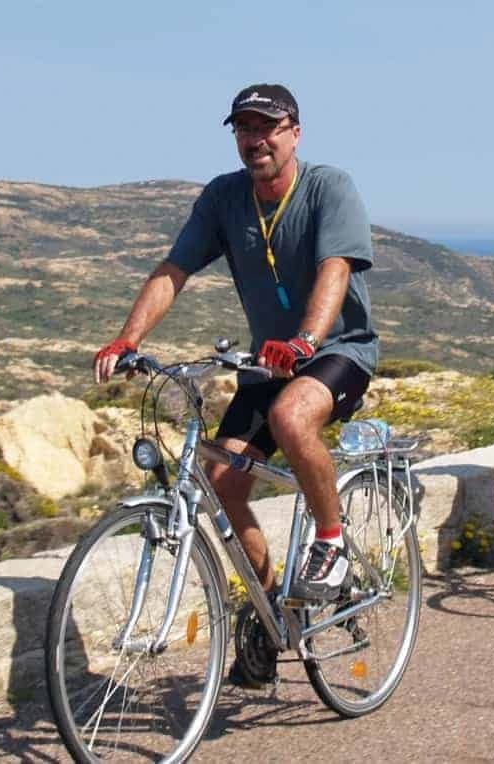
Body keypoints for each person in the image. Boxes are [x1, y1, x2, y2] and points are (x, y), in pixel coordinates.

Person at [94, 83, 378, 609]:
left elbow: (334, 268)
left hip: (339, 352)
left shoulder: (329, 188)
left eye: (267, 127)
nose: (256, 140)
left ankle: (331, 540)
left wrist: (305, 340)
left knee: (292, 419)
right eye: (244, 128)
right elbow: (174, 269)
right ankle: (268, 614)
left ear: (294, 132)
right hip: (267, 366)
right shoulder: (224, 198)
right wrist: (128, 338)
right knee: (222, 481)